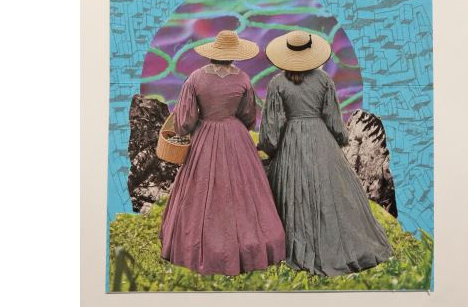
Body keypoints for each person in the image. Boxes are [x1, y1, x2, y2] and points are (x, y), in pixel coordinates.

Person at [257, 30, 392, 276]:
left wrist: (269, 148)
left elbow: (271, 127)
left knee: (293, 188)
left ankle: (295, 238)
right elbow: (333, 118)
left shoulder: (277, 83)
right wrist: (341, 138)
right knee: (327, 189)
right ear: (310, 53)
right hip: (321, 139)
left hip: (291, 140)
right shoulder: (324, 81)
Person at [159, 30, 286, 276]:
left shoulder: (195, 78)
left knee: (199, 190)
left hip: (204, 137)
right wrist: (234, 124)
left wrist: (193, 126)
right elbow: (248, 116)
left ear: (213, 53)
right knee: (243, 191)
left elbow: (184, 122)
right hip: (236, 137)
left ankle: (195, 245)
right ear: (234, 54)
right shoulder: (243, 79)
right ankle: (248, 245)